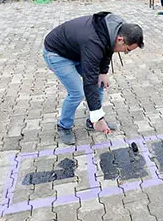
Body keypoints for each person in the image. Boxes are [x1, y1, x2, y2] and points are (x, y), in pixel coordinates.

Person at [43, 12, 144, 145]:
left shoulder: (116, 28)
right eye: (126, 50)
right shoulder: (93, 42)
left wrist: (103, 72)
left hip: (79, 50)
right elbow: (89, 81)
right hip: (57, 53)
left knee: (100, 83)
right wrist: (98, 116)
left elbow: (108, 48)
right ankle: (64, 126)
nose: (124, 52)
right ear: (120, 39)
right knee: (77, 93)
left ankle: (92, 121)